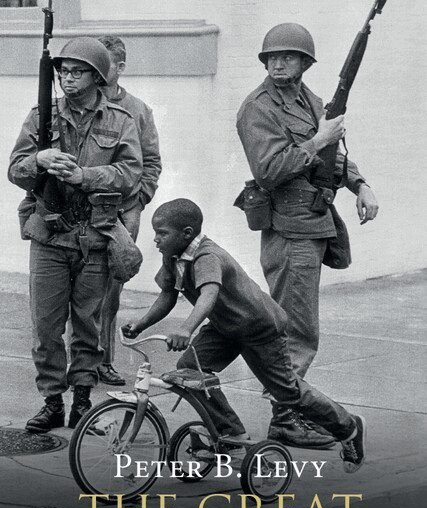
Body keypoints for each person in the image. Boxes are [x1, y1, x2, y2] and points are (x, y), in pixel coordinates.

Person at [123, 198, 367, 468]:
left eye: (162, 233)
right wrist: (141, 323)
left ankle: (349, 427)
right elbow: (168, 295)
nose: (156, 239)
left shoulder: (207, 257)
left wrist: (185, 329)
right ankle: (231, 433)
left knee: (287, 391)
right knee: (190, 370)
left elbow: (208, 295)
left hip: (258, 328)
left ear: (186, 233)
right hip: (225, 327)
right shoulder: (173, 256)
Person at [8, 36, 143, 433]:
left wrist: (86, 176)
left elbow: (131, 175)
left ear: (97, 76)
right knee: (46, 326)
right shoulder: (41, 115)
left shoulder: (121, 121)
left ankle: (82, 402)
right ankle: (52, 402)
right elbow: (15, 169)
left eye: (77, 72)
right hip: (50, 235)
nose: (67, 79)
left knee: (88, 325)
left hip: (95, 235)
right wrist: (39, 159)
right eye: (64, 72)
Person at [236, 23, 379, 378]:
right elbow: (268, 170)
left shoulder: (309, 101)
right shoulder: (258, 108)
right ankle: (286, 404)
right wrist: (318, 140)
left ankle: (288, 398)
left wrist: (360, 184)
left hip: (312, 223)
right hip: (290, 229)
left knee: (300, 327)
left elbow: (331, 155)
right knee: (297, 332)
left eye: (288, 57)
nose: (278, 64)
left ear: (305, 63)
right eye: (272, 57)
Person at [96, 35, 162, 387]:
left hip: (123, 212)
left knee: (111, 290)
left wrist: (138, 201)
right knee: (81, 288)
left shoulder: (138, 110)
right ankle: (80, 361)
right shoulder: (76, 105)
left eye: (103, 63)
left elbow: (151, 162)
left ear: (120, 68)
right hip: (85, 210)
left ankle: (103, 361)